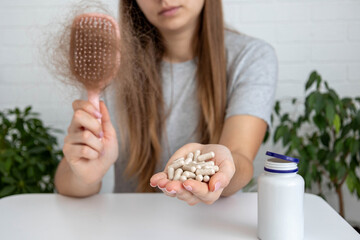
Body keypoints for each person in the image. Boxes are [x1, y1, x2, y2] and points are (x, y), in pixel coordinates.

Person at [55, 0, 278, 206]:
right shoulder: (110, 61)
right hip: (130, 226)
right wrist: (84, 173)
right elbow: (65, 184)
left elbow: (239, 155)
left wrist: (223, 167)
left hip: (216, 227)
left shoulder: (251, 58)